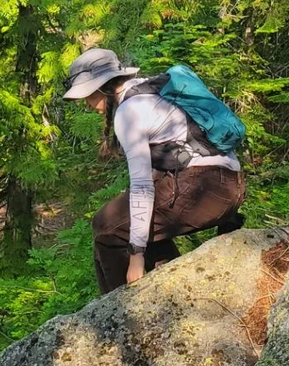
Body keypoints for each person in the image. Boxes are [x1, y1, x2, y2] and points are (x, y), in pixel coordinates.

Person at [64, 47, 246, 294]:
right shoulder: (153, 90)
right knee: (127, 220)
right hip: (229, 185)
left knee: (107, 230)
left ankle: (120, 312)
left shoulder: (129, 112)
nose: (85, 104)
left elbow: (142, 186)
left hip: (205, 189)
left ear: (102, 87)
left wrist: (136, 256)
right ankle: (174, 290)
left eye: (86, 95)